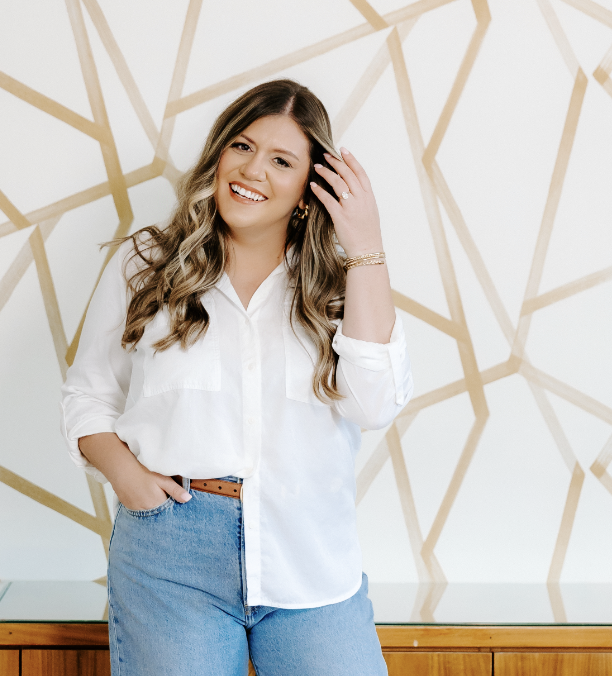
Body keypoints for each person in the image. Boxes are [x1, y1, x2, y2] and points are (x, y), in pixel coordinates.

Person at [60, 79, 413, 675]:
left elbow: (374, 404)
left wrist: (366, 246)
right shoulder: (144, 263)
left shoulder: (337, 286)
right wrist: (131, 482)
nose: (253, 170)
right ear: (219, 154)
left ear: (308, 190)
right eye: (242, 147)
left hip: (309, 557)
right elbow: (89, 397)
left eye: (282, 160)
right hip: (171, 551)